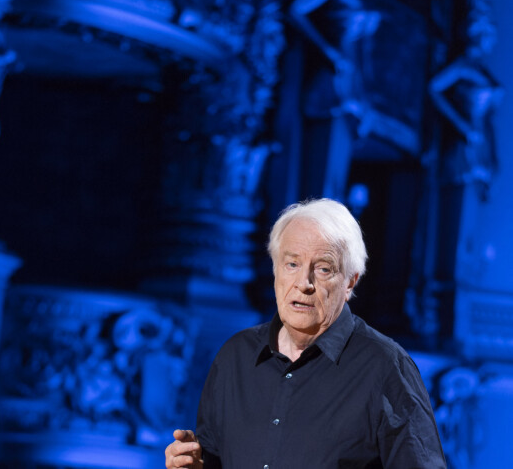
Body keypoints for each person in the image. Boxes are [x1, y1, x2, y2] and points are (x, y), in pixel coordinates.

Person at [165, 198, 446, 468]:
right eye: (292, 264)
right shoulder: (235, 356)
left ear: (350, 282)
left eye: (323, 269)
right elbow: (213, 458)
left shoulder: (386, 367)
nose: (304, 283)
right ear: (276, 270)